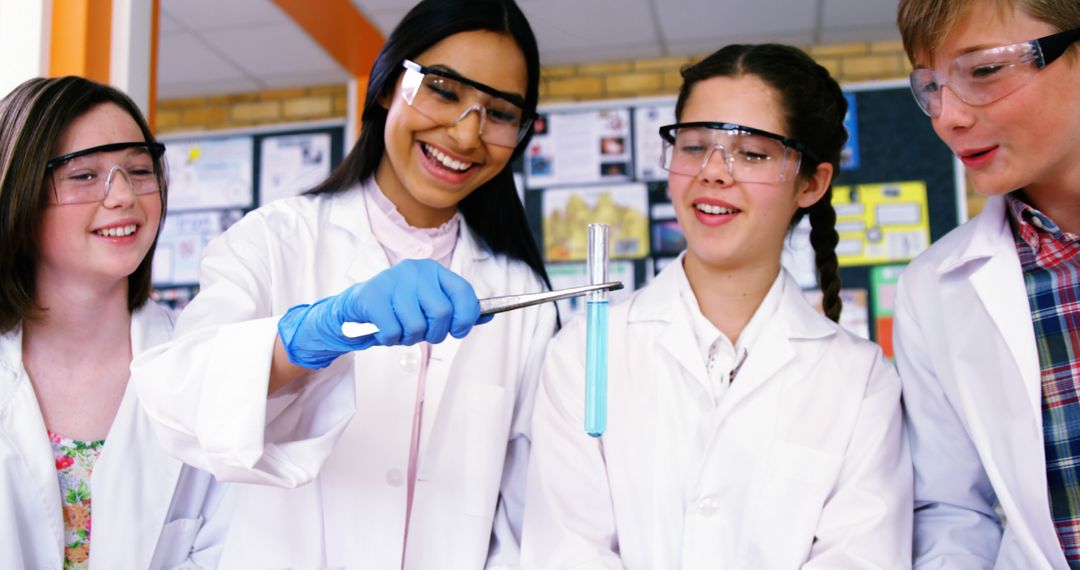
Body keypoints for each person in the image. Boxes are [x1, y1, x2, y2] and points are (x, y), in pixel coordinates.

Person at [130, 0, 557, 567]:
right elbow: (178, 398)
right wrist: (306, 338)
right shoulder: (275, 240)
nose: (466, 133)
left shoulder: (520, 295)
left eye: (500, 113)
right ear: (386, 87)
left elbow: (524, 514)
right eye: (444, 90)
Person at [521, 44, 913, 569]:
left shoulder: (860, 380)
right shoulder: (585, 354)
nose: (713, 171)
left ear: (811, 183)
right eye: (694, 146)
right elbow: (566, 553)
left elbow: (861, 557)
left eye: (752, 153)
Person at [0, 76, 227, 569]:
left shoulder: (203, 366)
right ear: (20, 192)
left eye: (139, 170)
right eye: (85, 175)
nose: (123, 195)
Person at [894, 0, 1080, 566]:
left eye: (983, 71)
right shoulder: (933, 290)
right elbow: (954, 512)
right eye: (930, 86)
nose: (946, 117)